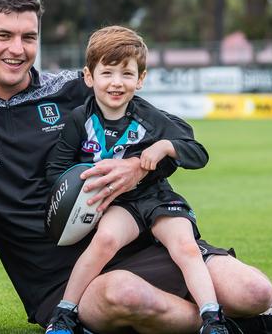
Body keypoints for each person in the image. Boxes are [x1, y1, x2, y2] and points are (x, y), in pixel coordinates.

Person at [0, 0, 272, 334]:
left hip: (136, 239)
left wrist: (136, 167)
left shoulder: (74, 89)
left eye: (28, 37)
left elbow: (173, 130)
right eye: (4, 36)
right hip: (60, 280)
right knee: (126, 294)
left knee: (254, 292)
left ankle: (248, 310)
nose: (17, 49)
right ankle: (249, 328)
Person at [44, 26, 226, 334]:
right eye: (107, 73)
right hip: (120, 203)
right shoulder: (80, 118)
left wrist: (165, 146)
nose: (116, 82)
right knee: (104, 241)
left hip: (157, 197)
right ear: (89, 77)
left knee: (185, 246)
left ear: (140, 80)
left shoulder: (150, 116)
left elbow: (198, 153)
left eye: (127, 74)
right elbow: (56, 168)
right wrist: (81, 184)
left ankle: (212, 319)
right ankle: (63, 315)